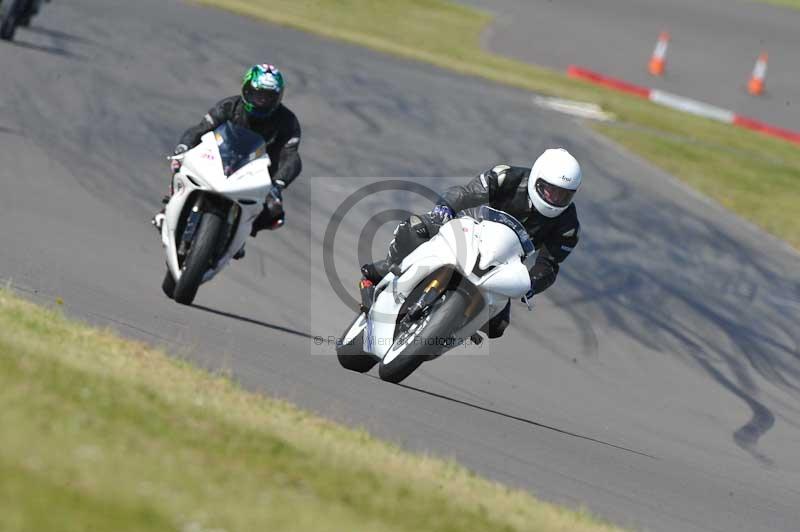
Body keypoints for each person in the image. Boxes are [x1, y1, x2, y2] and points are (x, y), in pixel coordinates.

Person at [361, 148, 582, 339]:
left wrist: (531, 284)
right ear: (536, 178)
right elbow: (466, 193)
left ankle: (447, 329)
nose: (554, 198)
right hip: (468, 231)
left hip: (503, 263)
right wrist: (445, 209)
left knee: (497, 326)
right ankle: (388, 268)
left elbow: (550, 264)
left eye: (563, 194)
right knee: (417, 226)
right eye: (550, 190)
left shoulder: (568, 226)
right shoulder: (506, 177)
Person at [154, 64, 302, 246]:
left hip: (257, 174)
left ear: (278, 98)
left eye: (268, 97)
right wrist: (183, 148)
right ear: (246, 90)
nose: (261, 101)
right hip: (219, 158)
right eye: (257, 94)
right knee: (182, 164)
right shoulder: (229, 106)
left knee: (274, 214)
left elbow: (291, 156)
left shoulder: (288, 122)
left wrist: (278, 185)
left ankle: (239, 235)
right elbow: (200, 129)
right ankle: (168, 206)